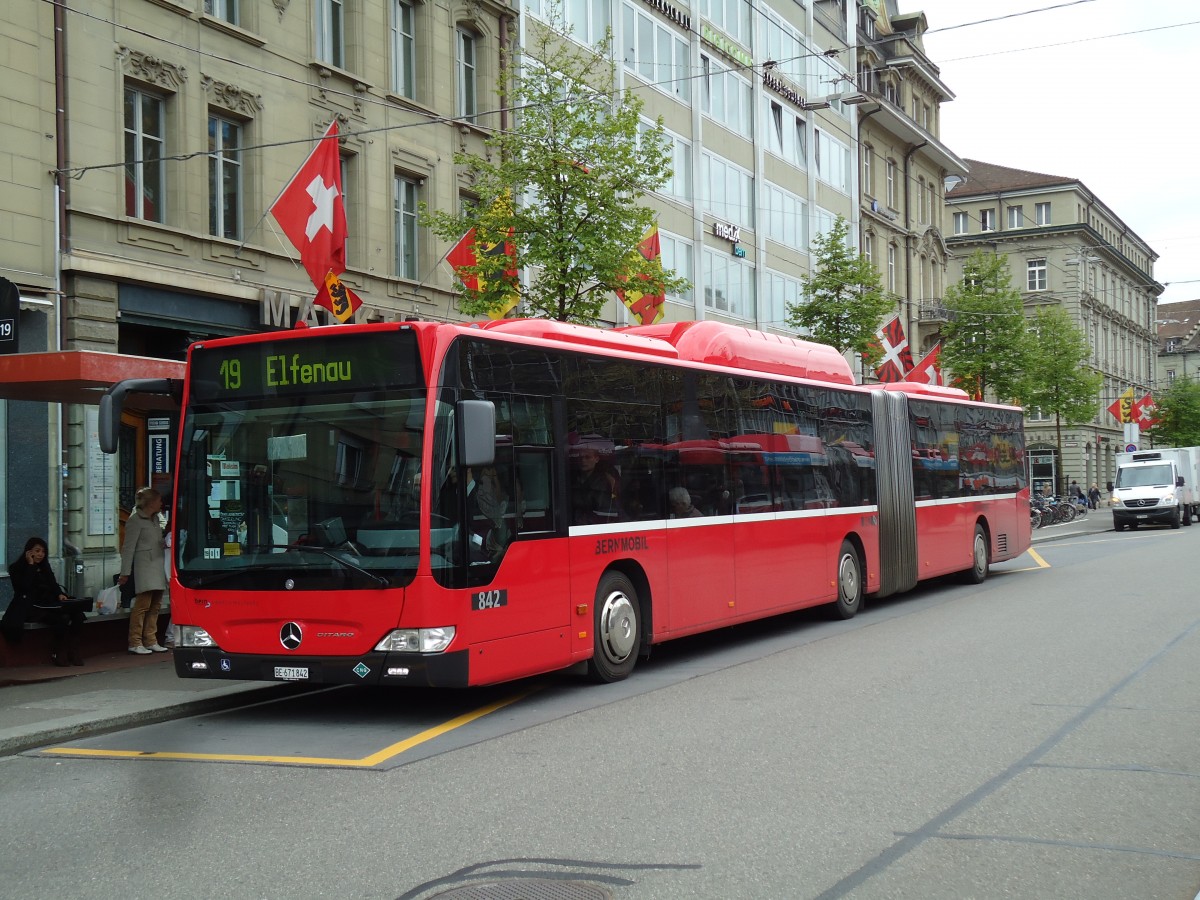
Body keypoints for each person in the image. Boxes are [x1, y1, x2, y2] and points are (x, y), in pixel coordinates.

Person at [1, 537, 86, 666]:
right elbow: (23, 588)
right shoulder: (16, 568)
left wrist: (59, 594)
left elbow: (53, 583)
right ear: (29, 552)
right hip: (31, 607)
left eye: (43, 551)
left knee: (78, 615)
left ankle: (73, 650)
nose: (40, 554)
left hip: (48, 603)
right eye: (37, 551)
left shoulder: (45, 567)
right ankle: (57, 651)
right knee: (63, 617)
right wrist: (31, 566)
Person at [119, 487, 170, 655]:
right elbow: (128, 548)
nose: (161, 503)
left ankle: (151, 639)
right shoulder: (135, 520)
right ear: (151, 503)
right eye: (158, 500)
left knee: (155, 605)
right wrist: (125, 572)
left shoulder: (155, 519)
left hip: (158, 564)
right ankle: (135, 641)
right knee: (142, 605)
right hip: (145, 566)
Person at [570, 445, 620, 525]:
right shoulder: (572, 478)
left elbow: (604, 508)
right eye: (580, 457)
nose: (583, 461)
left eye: (587, 457)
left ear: (596, 459)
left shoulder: (605, 481)